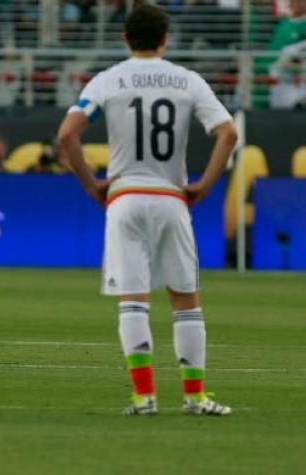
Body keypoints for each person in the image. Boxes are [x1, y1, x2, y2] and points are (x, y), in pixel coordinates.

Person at [56, 4, 237, 416]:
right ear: (165, 38)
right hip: (173, 199)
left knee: (133, 301)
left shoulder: (109, 79)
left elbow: (67, 136)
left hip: (125, 197)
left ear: (125, 38)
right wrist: (205, 186)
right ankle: (195, 397)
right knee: (186, 301)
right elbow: (228, 133)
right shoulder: (187, 80)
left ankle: (144, 397)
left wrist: (91, 184)